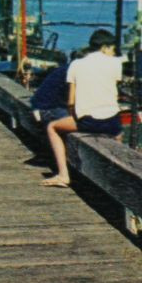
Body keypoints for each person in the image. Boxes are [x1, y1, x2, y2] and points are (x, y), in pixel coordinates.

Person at [42, 28, 123, 188]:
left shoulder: (76, 64)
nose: (113, 52)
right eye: (112, 48)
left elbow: (71, 101)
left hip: (89, 122)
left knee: (52, 127)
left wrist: (75, 116)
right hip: (113, 122)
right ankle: (117, 176)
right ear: (104, 47)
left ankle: (63, 175)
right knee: (119, 133)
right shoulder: (116, 63)